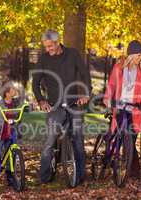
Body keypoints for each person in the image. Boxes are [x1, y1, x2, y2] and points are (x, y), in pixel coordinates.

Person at [32, 29, 92, 184]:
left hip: (74, 103)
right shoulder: (44, 59)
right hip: (54, 106)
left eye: (50, 46)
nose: (48, 50)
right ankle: (44, 177)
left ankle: (79, 176)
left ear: (57, 43)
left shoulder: (73, 54)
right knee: (50, 140)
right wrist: (41, 100)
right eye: (45, 46)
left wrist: (86, 93)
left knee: (78, 140)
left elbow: (85, 74)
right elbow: (35, 82)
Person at [103, 40, 141, 179]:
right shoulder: (119, 67)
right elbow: (111, 84)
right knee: (121, 135)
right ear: (130, 55)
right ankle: (127, 168)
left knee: (130, 139)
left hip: (135, 108)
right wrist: (107, 98)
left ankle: (130, 168)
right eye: (138, 55)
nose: (140, 58)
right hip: (119, 106)